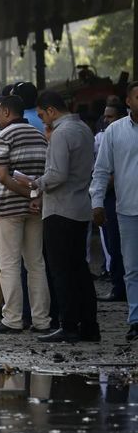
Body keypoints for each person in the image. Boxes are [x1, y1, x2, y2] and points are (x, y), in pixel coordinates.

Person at [22, 91, 99, 343]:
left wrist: (35, 183)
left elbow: (56, 174)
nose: (43, 120)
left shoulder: (61, 134)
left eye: (43, 115)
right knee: (80, 269)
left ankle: (68, 324)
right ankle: (89, 325)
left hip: (59, 210)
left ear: (52, 110)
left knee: (61, 271)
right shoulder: (84, 129)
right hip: (80, 207)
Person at [0, 95, 51, 334]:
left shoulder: (3, 136)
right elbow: (47, 175)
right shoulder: (39, 135)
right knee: (36, 263)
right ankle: (41, 320)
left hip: (9, 209)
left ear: (4, 112)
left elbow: (2, 175)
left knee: (9, 264)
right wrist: (34, 197)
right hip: (36, 208)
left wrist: (25, 194)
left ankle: (12, 319)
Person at [92, 81, 138, 342]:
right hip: (128, 209)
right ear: (128, 102)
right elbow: (101, 170)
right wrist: (97, 202)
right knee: (132, 268)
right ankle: (135, 320)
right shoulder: (115, 132)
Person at [93, 102, 127, 301]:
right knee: (113, 245)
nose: (106, 120)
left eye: (110, 116)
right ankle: (119, 286)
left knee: (117, 244)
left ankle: (120, 287)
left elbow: (109, 171)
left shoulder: (118, 136)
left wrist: (100, 189)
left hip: (117, 196)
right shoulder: (106, 136)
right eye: (105, 116)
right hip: (111, 196)